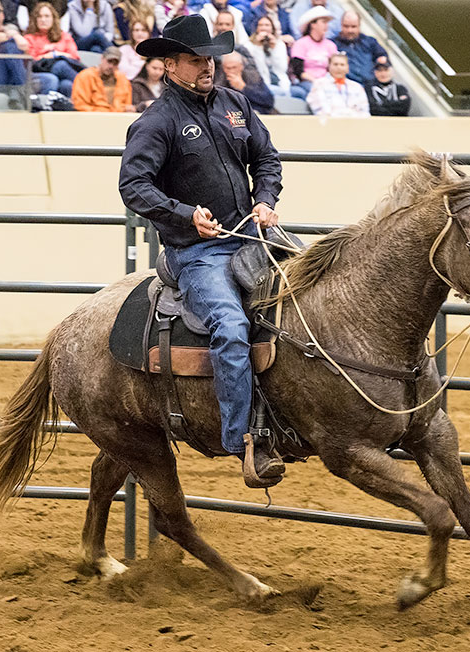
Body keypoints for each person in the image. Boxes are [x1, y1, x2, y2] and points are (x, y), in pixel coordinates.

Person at [118, 14, 286, 489]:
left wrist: (265, 200)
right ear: (169, 65)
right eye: (196, 60)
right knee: (231, 328)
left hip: (253, 235)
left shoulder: (235, 104)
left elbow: (267, 160)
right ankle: (245, 441)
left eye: (210, 58)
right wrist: (186, 214)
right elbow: (134, 187)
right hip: (197, 251)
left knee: (317, 295)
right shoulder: (156, 122)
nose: (207, 67)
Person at [242, 14, 306, 99]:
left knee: (300, 93)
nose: (264, 28)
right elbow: (256, 66)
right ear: (256, 28)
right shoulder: (249, 45)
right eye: (261, 25)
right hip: (261, 84)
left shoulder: (279, 44)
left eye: (267, 25)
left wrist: (274, 48)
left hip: (281, 83)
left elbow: (282, 68)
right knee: (279, 92)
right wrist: (258, 46)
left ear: (272, 29)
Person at [25, 1, 81, 96]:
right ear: (35, 19)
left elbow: (75, 58)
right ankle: (88, 87)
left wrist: (58, 54)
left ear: (53, 19)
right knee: (59, 68)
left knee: (66, 85)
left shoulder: (64, 36)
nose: (43, 20)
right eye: (39, 16)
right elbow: (29, 62)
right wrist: (47, 56)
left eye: (47, 16)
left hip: (61, 72)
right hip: (39, 71)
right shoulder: (29, 38)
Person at [71, 44, 135, 110]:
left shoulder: (123, 80)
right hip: (91, 118)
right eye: (109, 61)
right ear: (102, 58)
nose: (111, 66)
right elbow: (80, 105)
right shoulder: (85, 76)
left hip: (117, 117)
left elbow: (127, 105)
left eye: (115, 63)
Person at [289, 5, 335, 95]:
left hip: (326, 83)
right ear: (313, 24)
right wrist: (316, 82)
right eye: (323, 22)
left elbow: (334, 69)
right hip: (306, 82)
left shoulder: (331, 45)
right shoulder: (301, 44)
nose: (327, 25)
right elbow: (298, 71)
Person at [306, 51, 368, 117]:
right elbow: (321, 110)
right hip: (329, 124)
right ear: (329, 66)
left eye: (342, 65)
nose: (339, 67)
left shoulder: (357, 87)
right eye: (335, 64)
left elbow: (364, 111)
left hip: (354, 124)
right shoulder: (319, 84)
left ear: (347, 68)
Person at [332, 11, 386, 85]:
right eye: (346, 26)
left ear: (359, 26)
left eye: (353, 26)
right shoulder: (332, 44)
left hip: (370, 86)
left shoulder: (370, 42)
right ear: (341, 25)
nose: (350, 30)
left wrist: (382, 60)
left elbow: (383, 57)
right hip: (345, 86)